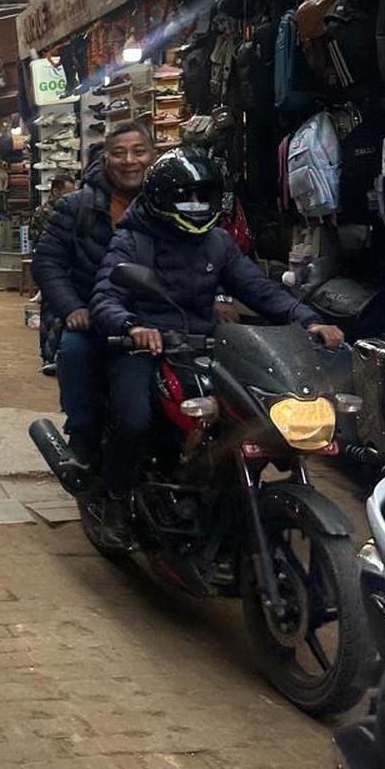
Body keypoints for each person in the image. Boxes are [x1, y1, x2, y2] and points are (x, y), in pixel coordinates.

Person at [91, 147, 344, 519]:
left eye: (202, 195)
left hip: (204, 346)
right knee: (135, 421)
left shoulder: (217, 242)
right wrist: (133, 327)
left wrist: (309, 320)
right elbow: (105, 297)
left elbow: (260, 291)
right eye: (185, 196)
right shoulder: (133, 240)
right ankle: (113, 499)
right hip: (144, 348)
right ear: (163, 198)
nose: (195, 204)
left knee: (249, 414)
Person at [32, 121, 155, 467]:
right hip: (94, 318)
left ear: (153, 155)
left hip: (155, 320)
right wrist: (73, 307)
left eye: (138, 151)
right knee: (74, 353)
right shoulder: (78, 206)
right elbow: (48, 262)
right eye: (119, 153)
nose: (129, 161)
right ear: (106, 159)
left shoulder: (168, 204)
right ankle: (83, 436)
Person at [29, 173, 78, 376]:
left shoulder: (73, 210)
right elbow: (41, 243)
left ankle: (60, 356)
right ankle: (47, 357)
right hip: (53, 270)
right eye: (67, 193)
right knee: (50, 317)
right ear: (55, 191)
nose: (70, 196)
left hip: (70, 272)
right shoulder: (44, 213)